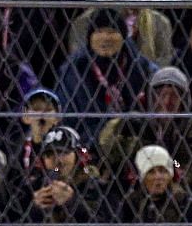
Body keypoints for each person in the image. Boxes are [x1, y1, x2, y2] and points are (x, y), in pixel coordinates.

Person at [99, 63, 192, 198]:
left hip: (177, 191)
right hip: (131, 192)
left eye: (175, 96)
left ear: (185, 101)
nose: (166, 102)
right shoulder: (131, 127)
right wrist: (121, 125)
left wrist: (169, 165)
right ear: (149, 97)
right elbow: (106, 150)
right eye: (161, 94)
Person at [59, 7, 156, 139]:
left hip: (137, 139)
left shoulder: (143, 68)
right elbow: (68, 118)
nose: (105, 38)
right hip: (86, 143)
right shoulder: (73, 70)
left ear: (123, 37)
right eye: (99, 31)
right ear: (89, 38)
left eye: (112, 32)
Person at [17, 124, 111, 226]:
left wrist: (72, 203)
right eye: (50, 154)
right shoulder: (31, 188)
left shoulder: (96, 188)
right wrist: (36, 210)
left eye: (64, 152)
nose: (57, 160)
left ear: (77, 155)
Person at [111, 142, 192, 226]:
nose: (158, 177)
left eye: (163, 171)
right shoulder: (131, 205)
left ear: (170, 176)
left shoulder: (186, 204)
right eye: (151, 172)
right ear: (142, 177)